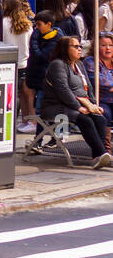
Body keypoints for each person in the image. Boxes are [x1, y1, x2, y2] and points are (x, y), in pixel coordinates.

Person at [43, 37, 112, 169]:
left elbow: (88, 88)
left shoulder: (79, 64)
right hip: (56, 106)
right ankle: (102, 154)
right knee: (85, 119)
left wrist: (93, 104)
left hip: (79, 104)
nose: (80, 48)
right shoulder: (57, 64)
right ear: (64, 49)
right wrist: (78, 107)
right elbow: (63, 89)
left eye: (80, 46)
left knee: (100, 119)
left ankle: (97, 157)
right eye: (75, 46)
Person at [0, 0, 36, 132]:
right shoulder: (27, 24)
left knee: (12, 95)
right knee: (26, 94)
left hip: (8, 62)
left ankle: (14, 122)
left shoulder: (2, 23)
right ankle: (29, 121)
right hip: (24, 62)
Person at [83, 31, 113, 153]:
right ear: (96, 47)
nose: (108, 48)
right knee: (104, 114)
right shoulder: (91, 61)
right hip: (99, 100)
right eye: (103, 45)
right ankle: (105, 150)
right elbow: (100, 82)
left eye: (110, 45)